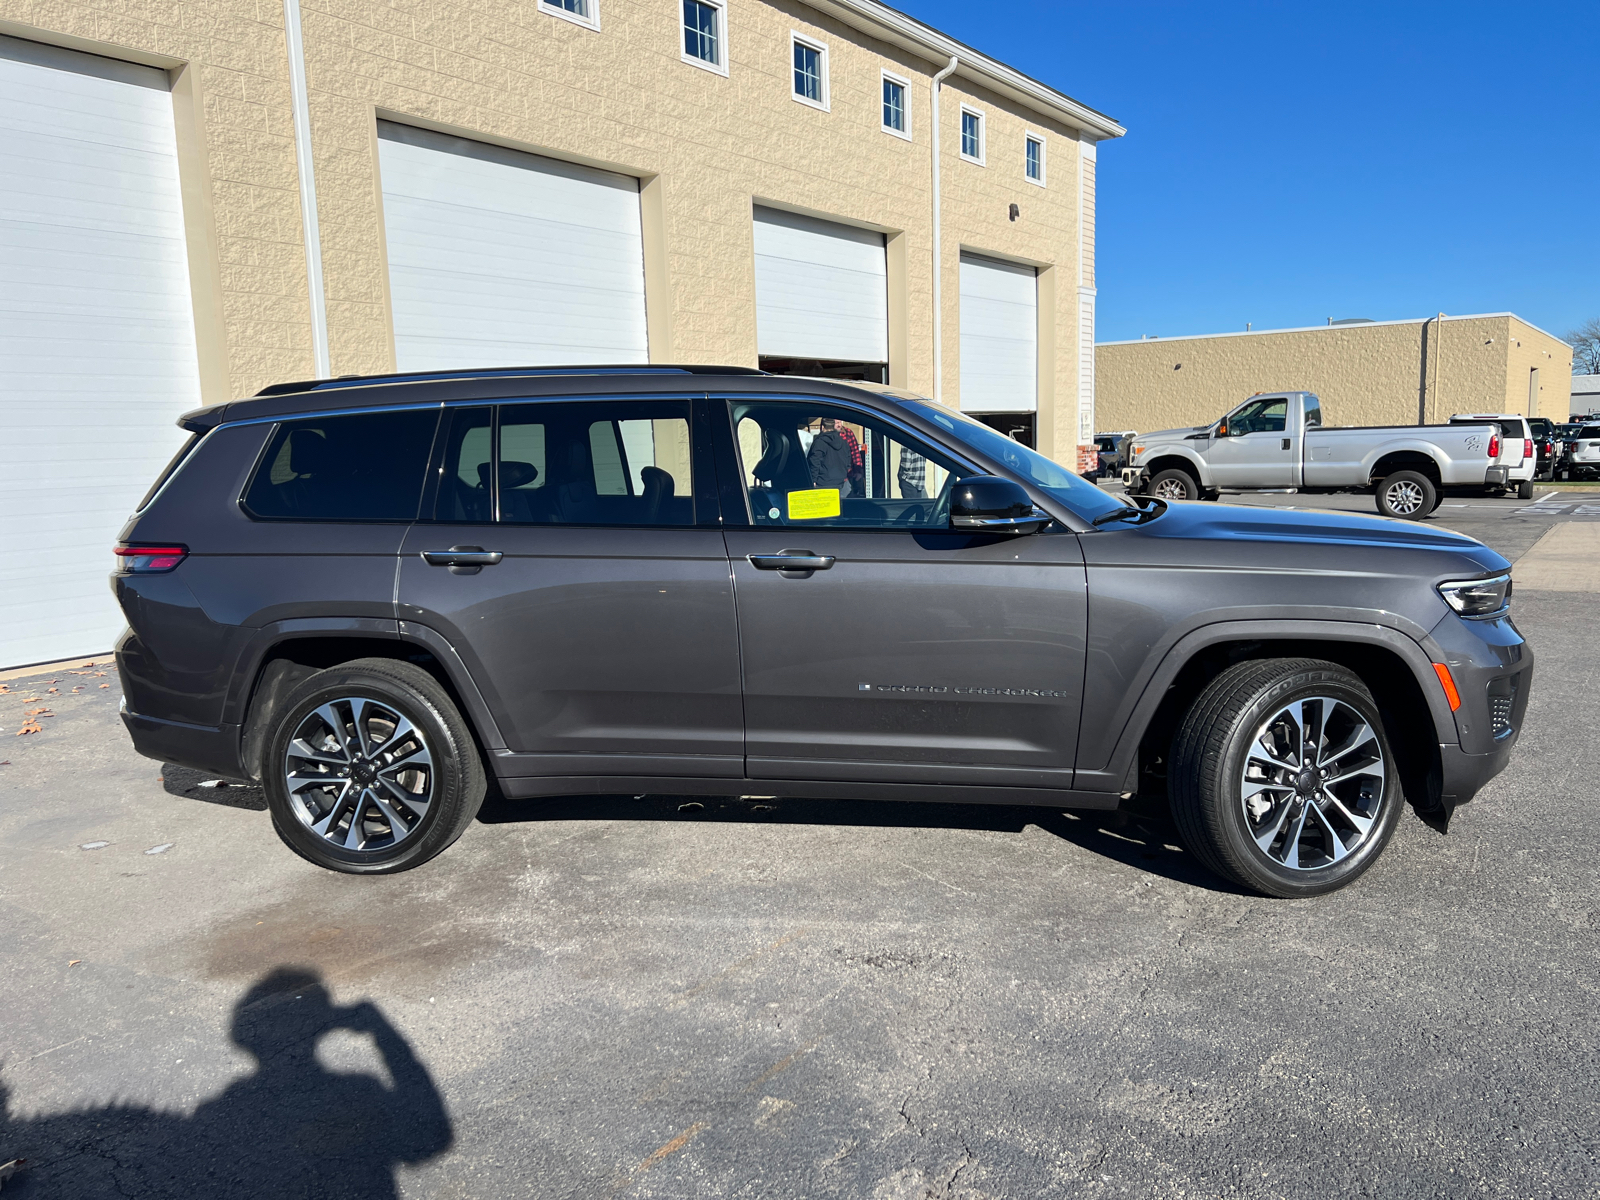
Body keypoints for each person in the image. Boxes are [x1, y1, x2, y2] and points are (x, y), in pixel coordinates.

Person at [806, 416, 852, 498]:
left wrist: (813, 480)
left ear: (822, 427)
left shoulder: (819, 442)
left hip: (823, 483)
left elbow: (814, 462)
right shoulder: (843, 442)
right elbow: (848, 461)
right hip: (840, 482)